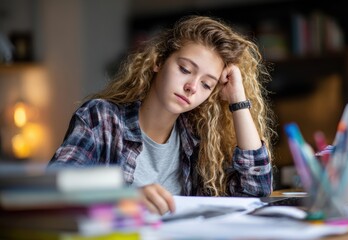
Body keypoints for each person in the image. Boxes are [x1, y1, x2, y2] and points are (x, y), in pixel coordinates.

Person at [48, 15, 276, 215]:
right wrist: (125, 198)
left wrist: (238, 100)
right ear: (158, 61)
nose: (192, 87)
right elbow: (55, 186)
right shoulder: (101, 118)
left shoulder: (199, 137)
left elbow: (256, 192)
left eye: (207, 84)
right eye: (185, 70)